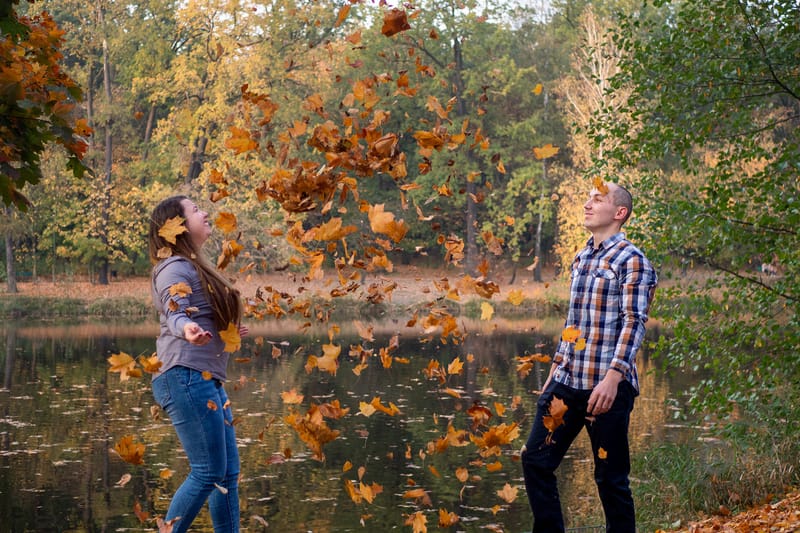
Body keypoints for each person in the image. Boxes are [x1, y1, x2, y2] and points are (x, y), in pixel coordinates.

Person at [520, 182, 657, 533]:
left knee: (610, 479)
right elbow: (574, 321)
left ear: (619, 213)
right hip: (567, 383)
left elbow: (634, 322)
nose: (587, 204)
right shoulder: (581, 258)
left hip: (606, 390)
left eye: (598, 199)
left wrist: (614, 378)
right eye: (588, 198)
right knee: (535, 460)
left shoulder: (632, 260)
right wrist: (556, 364)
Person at [148, 195, 249, 532]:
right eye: (194, 210)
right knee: (208, 472)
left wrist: (227, 331)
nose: (204, 212)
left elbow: (202, 313)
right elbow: (173, 310)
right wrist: (185, 329)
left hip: (204, 378)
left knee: (226, 475)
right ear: (175, 227)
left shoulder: (193, 266)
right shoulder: (173, 267)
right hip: (184, 377)